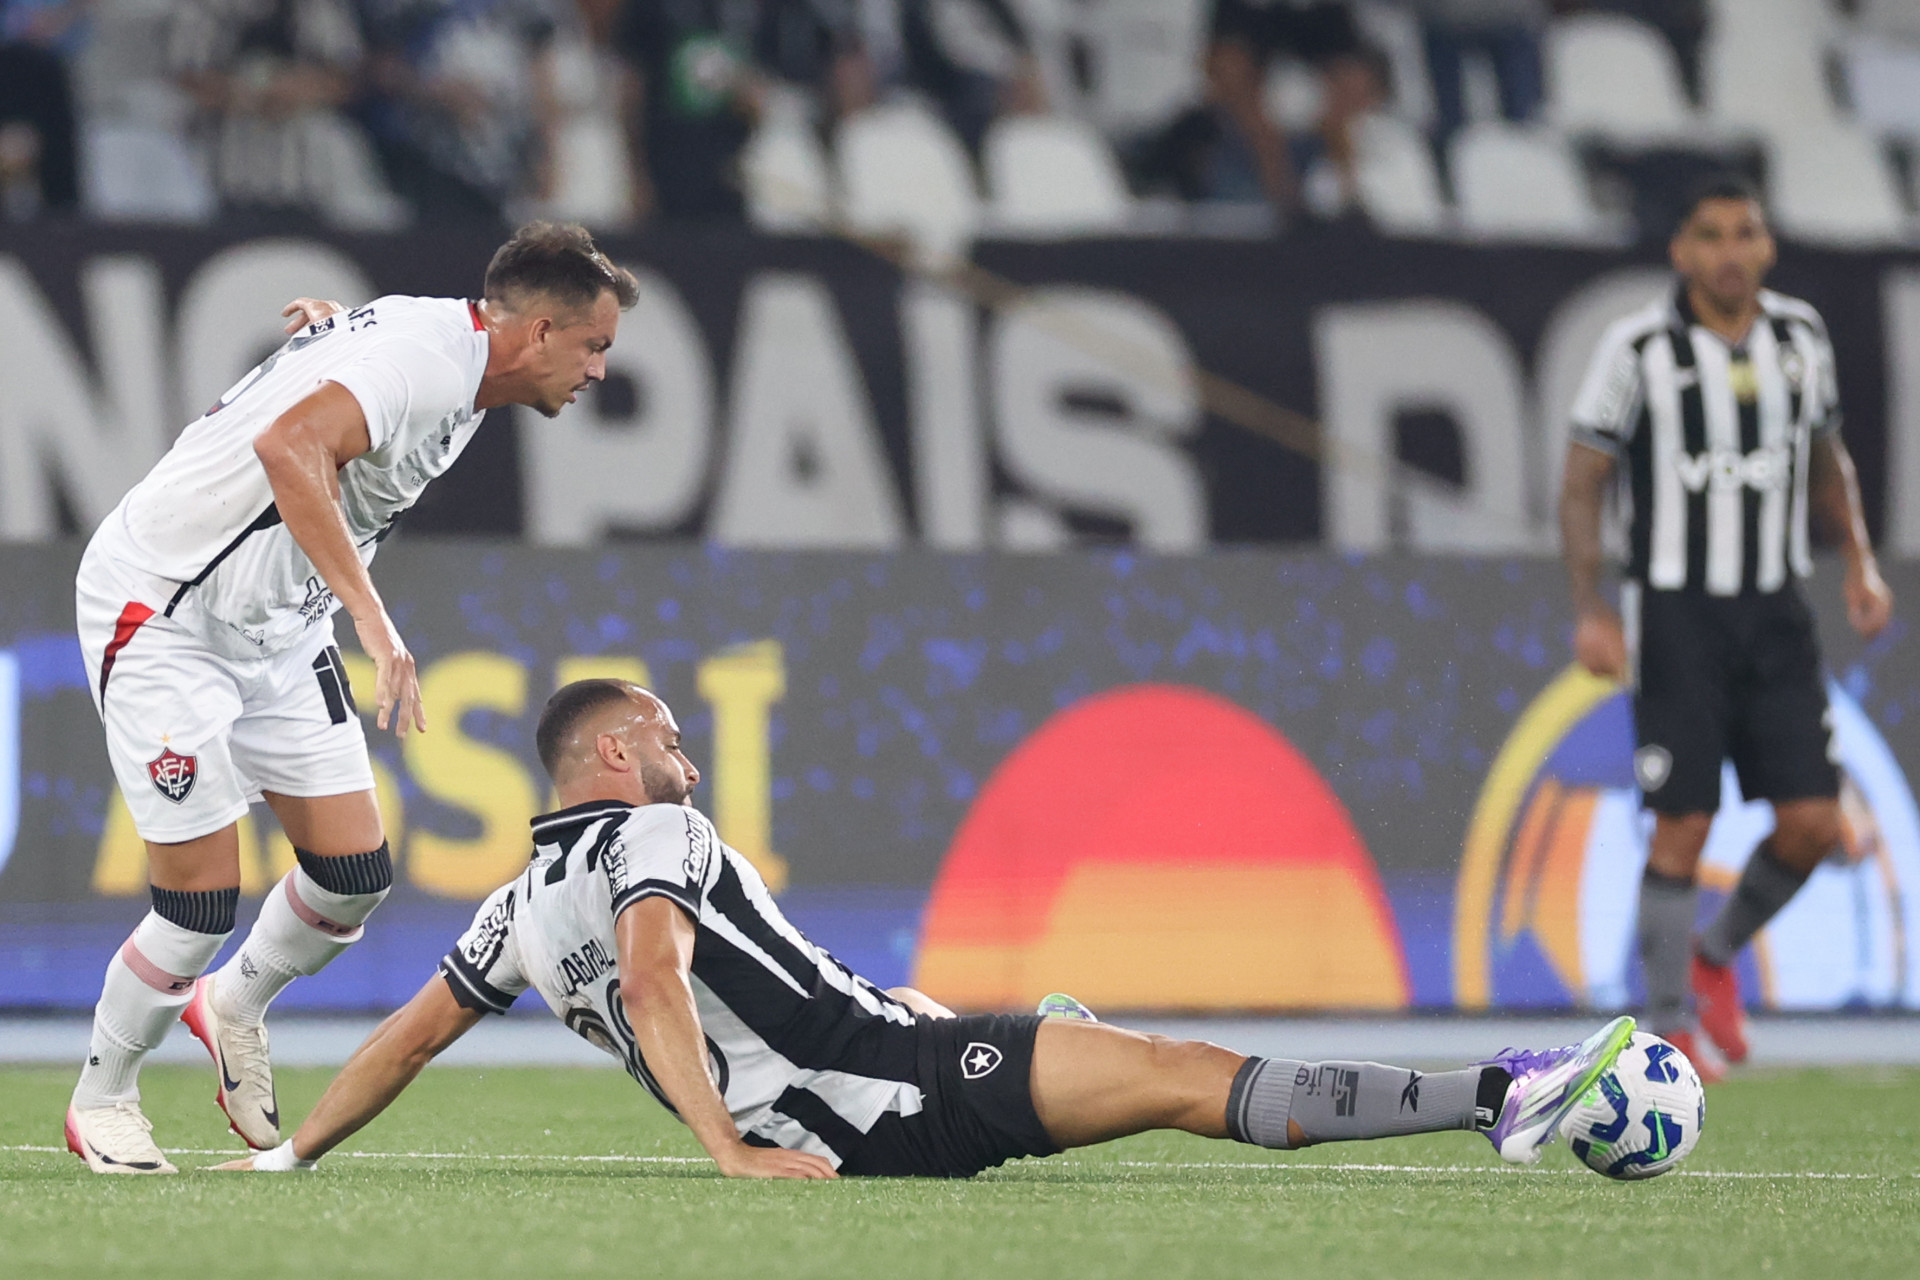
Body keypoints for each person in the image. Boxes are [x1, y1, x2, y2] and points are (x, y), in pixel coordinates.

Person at [214, 678, 1634, 1179]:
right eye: (657, 729)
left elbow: (403, 1044)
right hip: (885, 1096)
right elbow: (656, 980)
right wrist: (729, 1154)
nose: (678, 742)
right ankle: (1501, 1098)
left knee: (1034, 1031)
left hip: (880, 1059)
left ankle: (1030, 1044)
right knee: (1184, 1074)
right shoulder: (659, 835)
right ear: (605, 758)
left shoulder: (516, 912)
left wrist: (288, 1158)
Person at [64, 222, 641, 1176]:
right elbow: (292, 445)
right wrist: (374, 622)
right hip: (166, 613)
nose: (600, 371)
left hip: (278, 628)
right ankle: (103, 1099)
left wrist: (324, 340)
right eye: (595, 346)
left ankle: (235, 1004)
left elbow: (351, 367)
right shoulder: (429, 364)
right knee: (199, 903)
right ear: (539, 331)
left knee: (353, 874)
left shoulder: (447, 357)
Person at [1558, 175, 1894, 1082]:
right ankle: (1666, 1028)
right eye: (1710, 235)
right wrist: (1592, 607)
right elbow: (1584, 478)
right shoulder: (1637, 349)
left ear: (1768, 246)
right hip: (1677, 617)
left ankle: (1713, 955)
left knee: (1815, 822)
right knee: (1683, 824)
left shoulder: (1800, 337)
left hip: (1776, 612)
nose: (1730, 252)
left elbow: (1827, 457)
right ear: (1681, 252)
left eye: (1746, 233)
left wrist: (1858, 556)